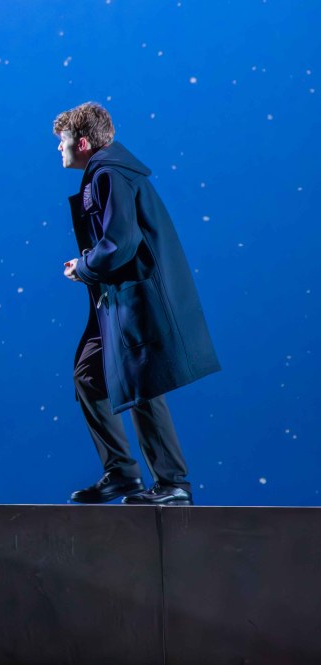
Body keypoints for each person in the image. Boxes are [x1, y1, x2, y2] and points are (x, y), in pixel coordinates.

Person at [54, 102, 220, 506]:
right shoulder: (106, 172)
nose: (59, 149)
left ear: (83, 143)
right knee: (89, 375)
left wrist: (84, 267)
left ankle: (172, 483)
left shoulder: (110, 173)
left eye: (62, 141)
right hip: (118, 303)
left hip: (137, 302)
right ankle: (122, 473)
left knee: (143, 386)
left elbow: (120, 242)